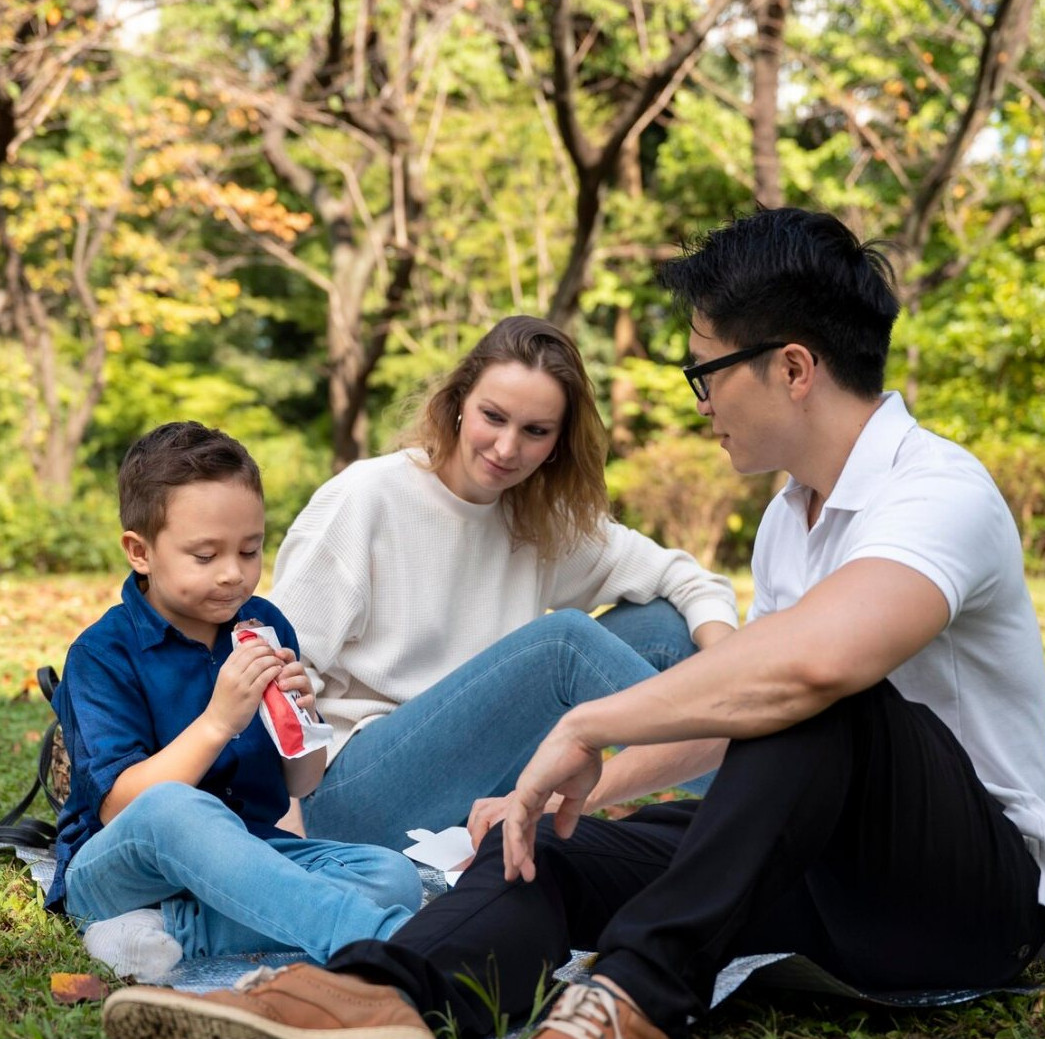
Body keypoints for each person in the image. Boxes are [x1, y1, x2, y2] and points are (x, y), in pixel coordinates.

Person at [102, 207, 1045, 1039]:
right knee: (538, 843)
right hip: (812, 875)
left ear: (791, 368)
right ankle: (381, 996)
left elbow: (811, 674)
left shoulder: (936, 493)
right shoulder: (788, 518)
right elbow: (740, 719)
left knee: (820, 690)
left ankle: (630, 996)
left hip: (965, 897)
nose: (700, 401)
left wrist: (587, 725)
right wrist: (564, 794)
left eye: (704, 371)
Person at [266, 314, 738, 849]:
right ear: (459, 402)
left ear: (557, 443)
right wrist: (286, 830)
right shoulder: (366, 497)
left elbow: (687, 578)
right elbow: (273, 669)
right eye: (493, 417)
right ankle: (768, 772)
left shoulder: (537, 519)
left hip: (480, 778)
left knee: (662, 625)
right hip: (353, 794)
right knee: (563, 645)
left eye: (535, 431)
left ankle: (759, 760)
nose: (507, 448)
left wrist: (728, 665)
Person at [48, 422, 422, 982]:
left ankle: (171, 930)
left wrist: (303, 717)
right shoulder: (103, 654)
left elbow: (302, 783)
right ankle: (388, 941)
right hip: (119, 870)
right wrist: (218, 721)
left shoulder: (265, 625)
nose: (233, 574)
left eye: (250, 550)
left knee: (392, 876)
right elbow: (122, 808)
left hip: (244, 855)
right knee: (176, 807)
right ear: (140, 552)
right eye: (205, 556)